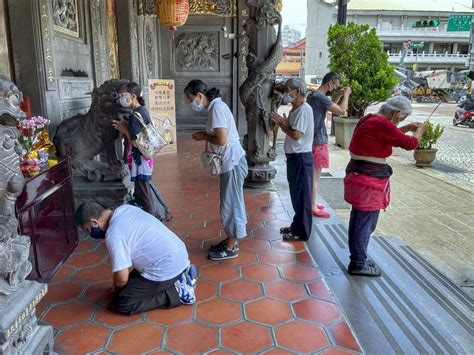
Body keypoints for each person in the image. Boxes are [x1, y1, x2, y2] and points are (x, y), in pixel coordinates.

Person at [344, 96, 427, 277]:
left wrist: (405, 128)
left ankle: (358, 258)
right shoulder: (383, 124)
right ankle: (358, 263)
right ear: (396, 113)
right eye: (402, 118)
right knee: (365, 223)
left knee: (358, 220)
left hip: (357, 176)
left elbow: (386, 135)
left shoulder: (369, 119)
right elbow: (410, 144)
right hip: (369, 181)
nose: (401, 121)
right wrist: (419, 131)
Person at [75, 202, 197, 315]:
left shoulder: (114, 235)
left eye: (88, 230)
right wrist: (119, 284)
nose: (90, 234)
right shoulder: (125, 209)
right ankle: (180, 277)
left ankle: (178, 292)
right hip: (178, 254)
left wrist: (119, 286)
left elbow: (122, 279)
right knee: (126, 287)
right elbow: (125, 266)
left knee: (123, 303)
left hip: (166, 266)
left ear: (94, 222)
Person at [184, 80, 248, 261]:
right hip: (231, 162)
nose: (191, 104)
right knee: (230, 201)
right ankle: (231, 239)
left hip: (233, 162)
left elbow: (222, 140)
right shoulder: (215, 107)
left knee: (231, 203)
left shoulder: (216, 109)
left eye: (191, 99)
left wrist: (202, 136)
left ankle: (231, 245)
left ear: (199, 95)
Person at [271, 77, 314, 241]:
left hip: (301, 158)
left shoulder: (304, 110)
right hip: (294, 158)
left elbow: (296, 135)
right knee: (296, 195)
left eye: (287, 89)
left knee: (302, 197)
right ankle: (296, 226)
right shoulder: (295, 109)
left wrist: (283, 124)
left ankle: (301, 232)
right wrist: (283, 123)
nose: (285, 93)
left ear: (296, 92)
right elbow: (290, 128)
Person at [306, 72, 351, 218]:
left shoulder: (314, 95)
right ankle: (313, 207)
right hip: (318, 142)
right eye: (334, 86)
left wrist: (338, 95)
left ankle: (311, 202)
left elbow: (328, 104)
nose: (334, 89)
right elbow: (342, 111)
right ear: (330, 83)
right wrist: (347, 95)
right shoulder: (320, 97)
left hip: (312, 140)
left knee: (313, 176)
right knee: (315, 177)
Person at [112, 82, 155, 216]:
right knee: (141, 191)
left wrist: (125, 130)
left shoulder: (134, 115)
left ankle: (152, 221)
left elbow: (136, 142)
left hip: (140, 160)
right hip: (145, 158)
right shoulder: (142, 110)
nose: (121, 98)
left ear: (133, 95)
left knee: (144, 193)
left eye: (123, 95)